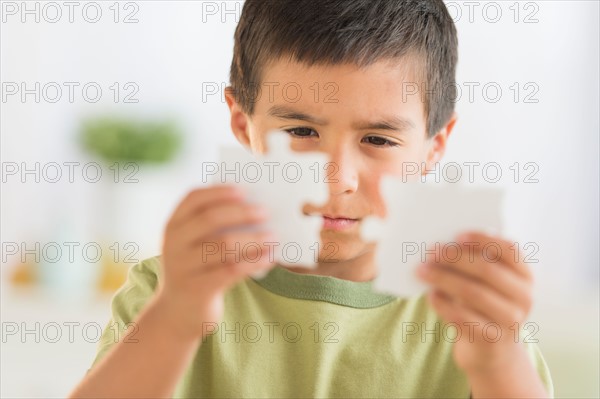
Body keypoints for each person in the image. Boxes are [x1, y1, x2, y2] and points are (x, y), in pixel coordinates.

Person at [69, 0, 554, 397]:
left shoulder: (471, 311)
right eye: (301, 130)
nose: (334, 180)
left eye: (379, 140)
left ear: (435, 147)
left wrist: (496, 363)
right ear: (243, 125)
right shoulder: (172, 287)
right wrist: (174, 319)